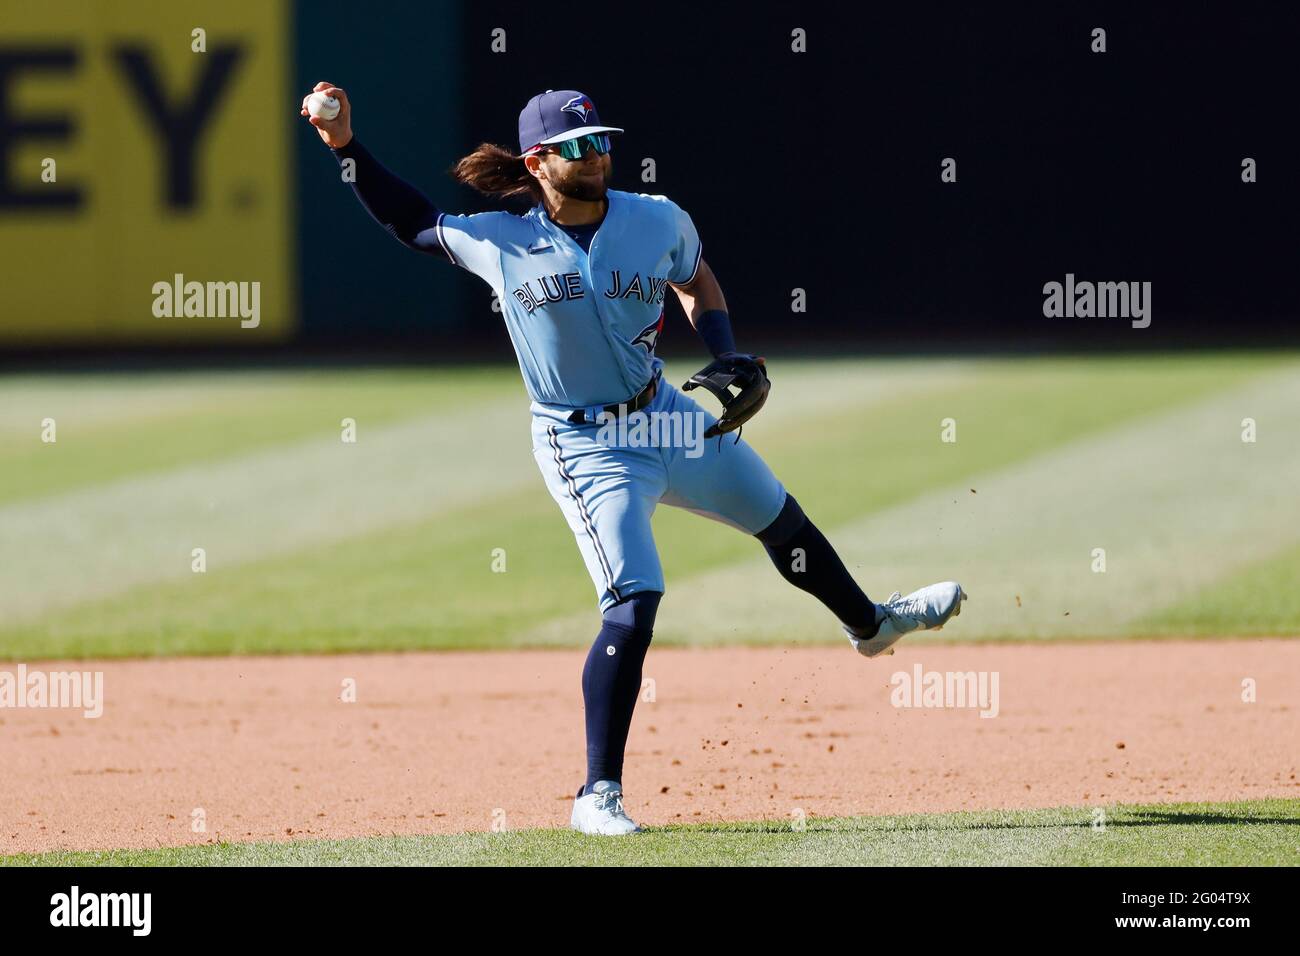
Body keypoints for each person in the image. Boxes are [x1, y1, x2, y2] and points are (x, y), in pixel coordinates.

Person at [301, 84, 967, 835]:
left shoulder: (655, 219)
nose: (598, 155)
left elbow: (696, 277)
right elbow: (412, 221)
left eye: (603, 141)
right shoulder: (502, 241)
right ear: (538, 161)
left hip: (661, 415)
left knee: (781, 519)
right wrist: (344, 147)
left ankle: (870, 627)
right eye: (579, 146)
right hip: (583, 441)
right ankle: (596, 796)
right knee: (634, 600)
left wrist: (728, 353)